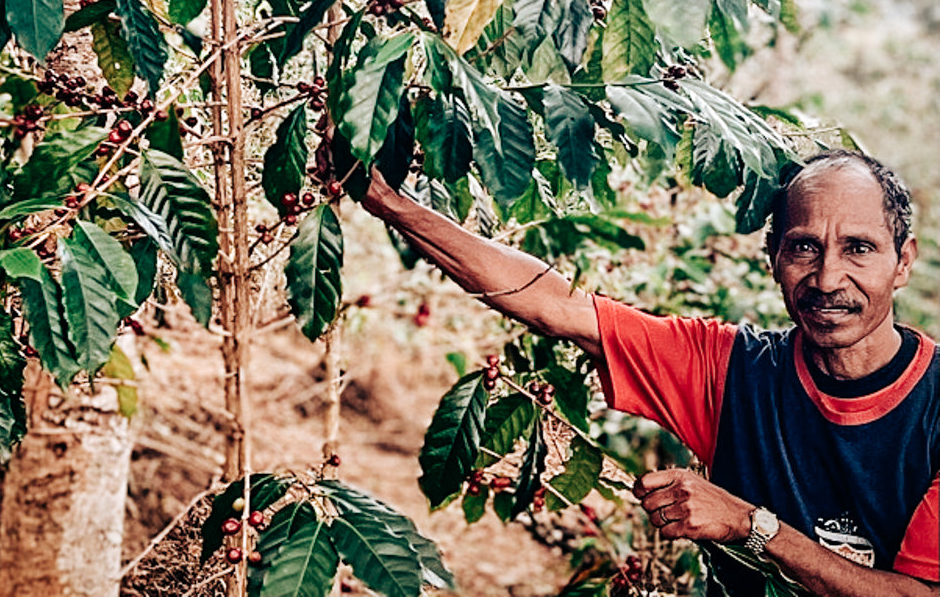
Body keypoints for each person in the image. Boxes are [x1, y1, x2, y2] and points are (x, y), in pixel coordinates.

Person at [360, 149, 939, 597]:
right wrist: (389, 202)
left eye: (859, 249)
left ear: (903, 262)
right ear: (773, 262)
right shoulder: (731, 371)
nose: (828, 277)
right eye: (803, 248)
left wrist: (751, 525)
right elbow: (555, 306)